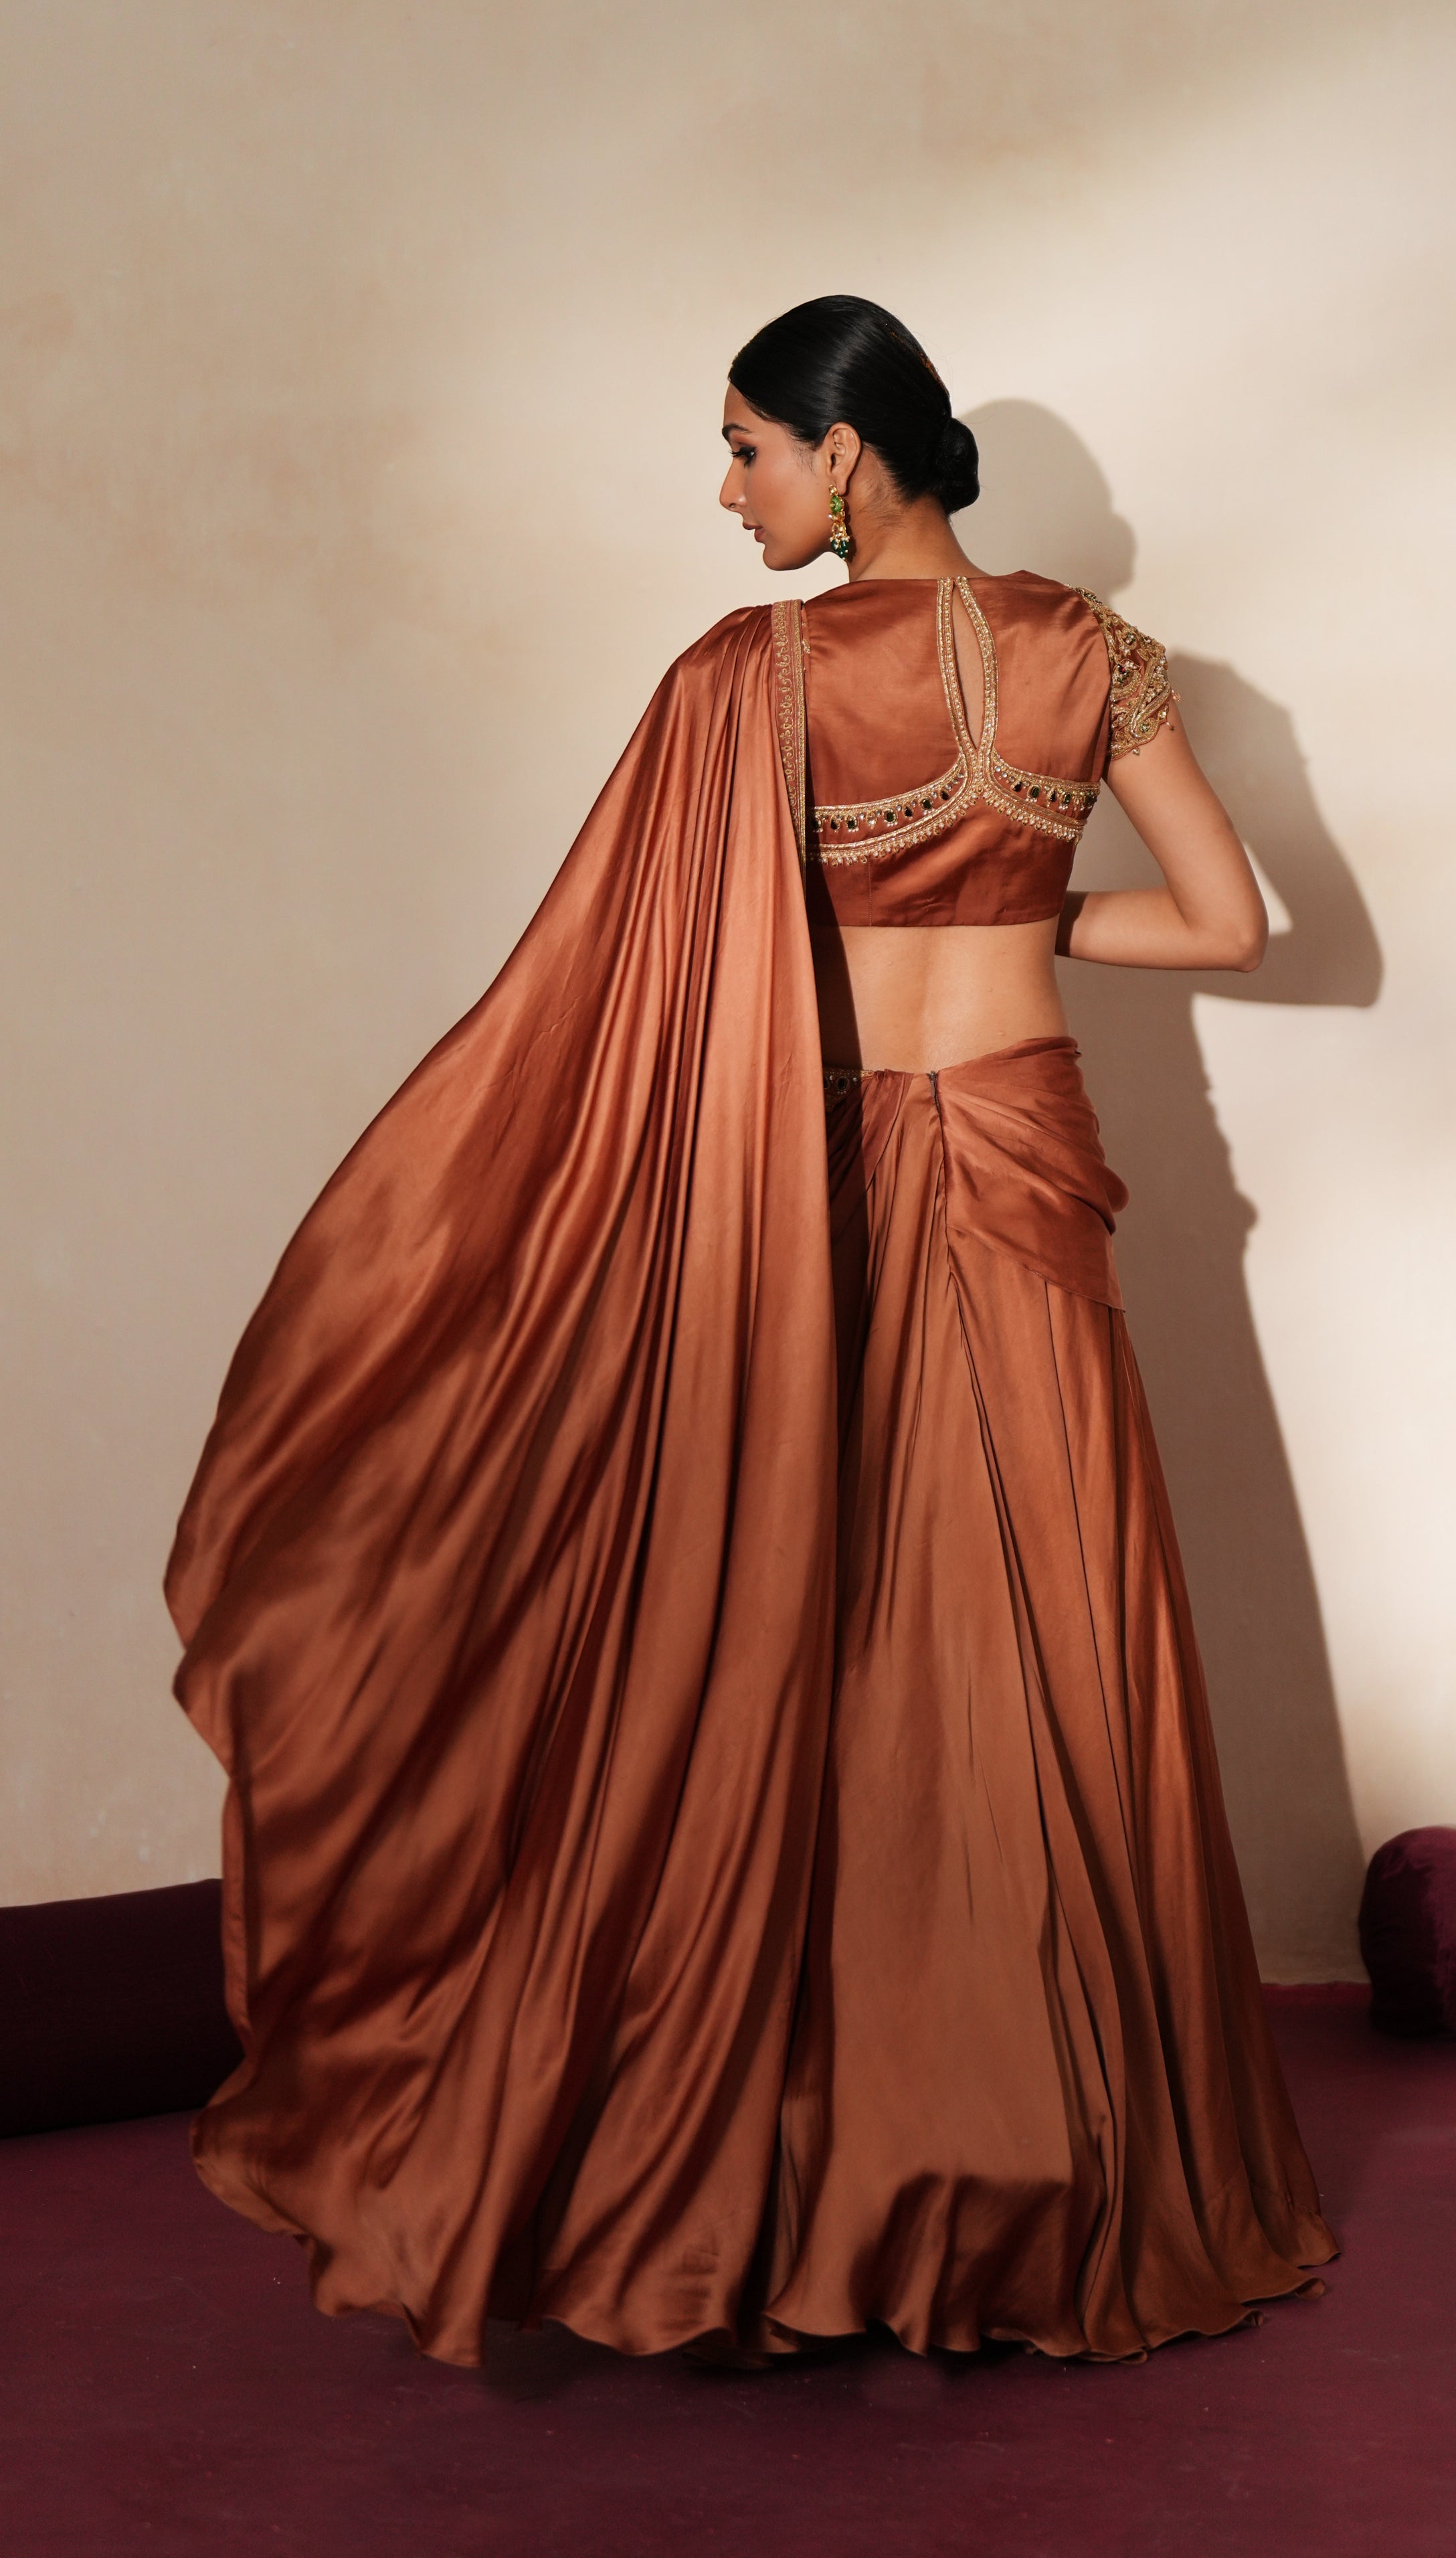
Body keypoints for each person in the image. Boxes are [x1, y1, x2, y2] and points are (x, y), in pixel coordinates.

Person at [168, 295, 1335, 2371]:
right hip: (1038, 1152)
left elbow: (620, 982)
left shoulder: (756, 679)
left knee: (829, 1638)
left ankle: (833, 2161)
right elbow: (1237, 928)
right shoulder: (1100, 655)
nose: (733, 494)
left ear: (850, 454)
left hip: (845, 1187)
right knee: (1052, 1634)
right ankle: (1073, 2166)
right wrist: (1023, 916)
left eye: (748, 453)